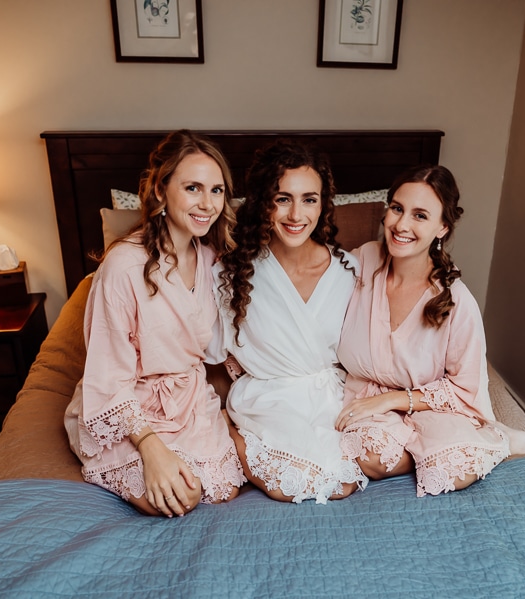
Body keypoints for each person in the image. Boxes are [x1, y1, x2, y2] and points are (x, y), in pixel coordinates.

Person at [64, 129, 246, 517]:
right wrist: (149, 446)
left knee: (224, 488)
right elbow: (108, 374)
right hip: (131, 404)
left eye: (216, 191)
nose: (208, 203)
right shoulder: (123, 267)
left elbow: (222, 343)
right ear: (161, 191)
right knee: (178, 496)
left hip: (189, 399)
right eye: (193, 188)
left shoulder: (212, 258)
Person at [334, 164, 525, 496]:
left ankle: (495, 441)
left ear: (442, 227)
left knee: (454, 468)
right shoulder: (362, 262)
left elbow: (465, 388)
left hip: (426, 400)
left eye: (420, 215)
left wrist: (393, 400)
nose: (401, 225)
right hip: (364, 393)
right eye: (397, 209)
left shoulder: (456, 302)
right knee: (373, 458)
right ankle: (419, 448)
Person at [212, 139, 368, 504]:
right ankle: (233, 435)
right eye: (283, 198)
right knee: (293, 486)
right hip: (268, 399)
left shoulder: (350, 270)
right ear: (263, 201)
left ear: (323, 204)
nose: (296, 215)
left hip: (332, 398)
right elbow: (212, 355)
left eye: (309, 199)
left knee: (344, 484)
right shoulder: (233, 272)